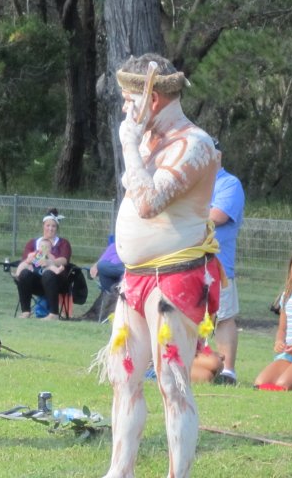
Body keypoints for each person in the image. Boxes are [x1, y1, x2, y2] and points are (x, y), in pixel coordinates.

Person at [95, 53, 221, 478]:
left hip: (176, 278)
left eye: (130, 100)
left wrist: (129, 143)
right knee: (123, 377)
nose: (125, 110)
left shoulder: (196, 144)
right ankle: (120, 470)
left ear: (152, 99)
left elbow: (149, 203)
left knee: (172, 383)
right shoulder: (149, 139)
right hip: (136, 280)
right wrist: (136, 144)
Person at [254, 248, 292, 391]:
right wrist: (279, 341)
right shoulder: (286, 296)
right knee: (260, 384)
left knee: (283, 386)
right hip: (290, 353)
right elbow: (282, 329)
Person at [210, 142, 245, 385]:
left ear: (218, 155)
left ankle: (228, 372)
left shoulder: (229, 184)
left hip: (218, 265)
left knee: (223, 317)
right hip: (186, 264)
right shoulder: (191, 184)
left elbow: (217, 216)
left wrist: (187, 214)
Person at [15, 208, 72, 321]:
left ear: (57, 228)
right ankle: (26, 311)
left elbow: (64, 260)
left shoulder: (63, 243)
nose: (50, 229)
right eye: (48, 225)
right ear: (43, 226)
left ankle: (53, 313)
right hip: (35, 280)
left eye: (53, 226)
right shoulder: (33, 243)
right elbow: (26, 260)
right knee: (25, 273)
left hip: (56, 281)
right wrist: (30, 260)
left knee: (48, 274)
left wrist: (50, 262)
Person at [78, 237, 124, 322]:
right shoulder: (114, 246)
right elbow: (101, 261)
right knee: (102, 266)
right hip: (111, 283)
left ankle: (122, 284)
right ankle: (116, 289)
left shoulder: (135, 249)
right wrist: (95, 266)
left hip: (127, 275)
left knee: (122, 270)